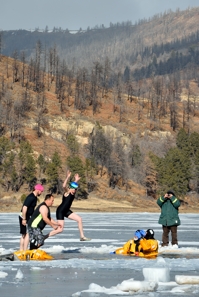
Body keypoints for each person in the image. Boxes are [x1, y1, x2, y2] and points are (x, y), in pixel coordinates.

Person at [54, 170, 91, 241]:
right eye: (73, 188)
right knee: (60, 230)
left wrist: (76, 180)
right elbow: (64, 186)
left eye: (75, 189)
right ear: (70, 187)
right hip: (60, 211)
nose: (74, 190)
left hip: (66, 211)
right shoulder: (67, 192)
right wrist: (67, 177)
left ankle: (82, 237)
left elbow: (74, 185)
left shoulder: (73, 193)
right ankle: (44, 237)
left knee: (79, 219)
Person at [19, 184, 44, 251]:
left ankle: (22, 250)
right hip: (24, 216)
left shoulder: (35, 197)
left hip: (27, 216)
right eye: (41, 191)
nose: (41, 193)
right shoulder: (31, 197)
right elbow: (24, 208)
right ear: (38, 190)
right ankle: (23, 250)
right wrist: (24, 219)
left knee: (24, 234)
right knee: (26, 234)